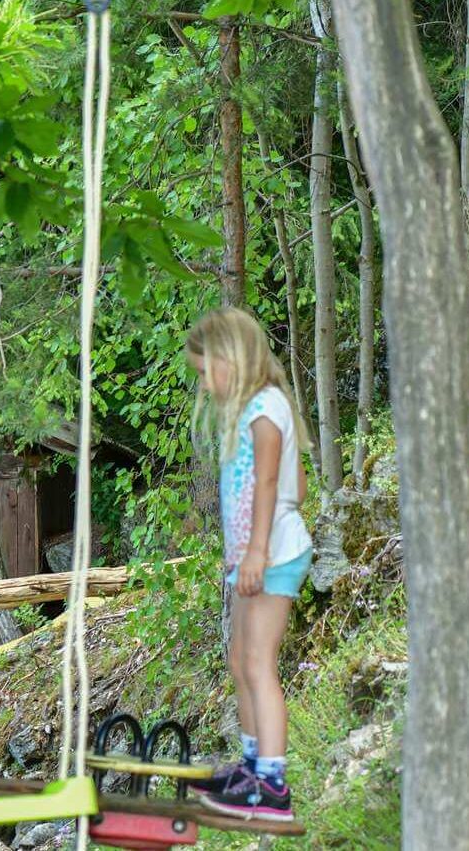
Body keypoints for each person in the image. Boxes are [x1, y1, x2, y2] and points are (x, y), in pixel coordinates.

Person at [180, 307, 313, 823]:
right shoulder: (255, 408)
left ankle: (273, 787)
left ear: (229, 361)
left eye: (204, 371)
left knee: (259, 663)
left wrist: (259, 549)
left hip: (271, 556)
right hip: (253, 558)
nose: (204, 384)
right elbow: (296, 483)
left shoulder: (265, 409)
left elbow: (270, 485)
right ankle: (252, 767)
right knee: (240, 659)